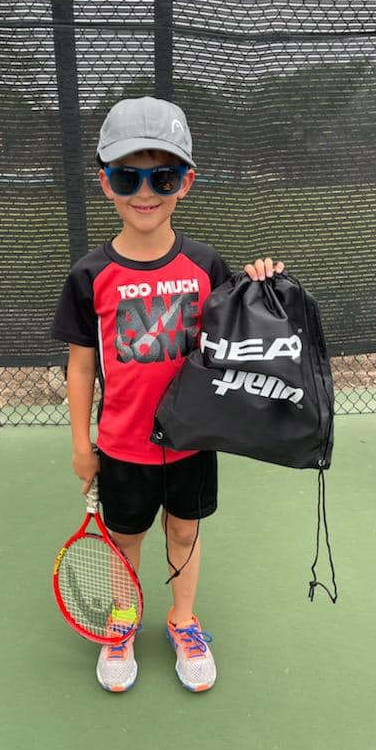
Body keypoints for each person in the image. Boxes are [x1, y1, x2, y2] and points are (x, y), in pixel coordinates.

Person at [52, 95, 284, 692]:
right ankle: (124, 620)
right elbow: (81, 367)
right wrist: (81, 445)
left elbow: (241, 335)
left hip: (191, 442)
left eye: (162, 176)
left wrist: (261, 287)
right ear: (105, 182)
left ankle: (183, 619)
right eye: (127, 176)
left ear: (186, 182)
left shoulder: (208, 265)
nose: (144, 192)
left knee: (184, 531)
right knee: (125, 539)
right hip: (122, 446)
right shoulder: (89, 275)